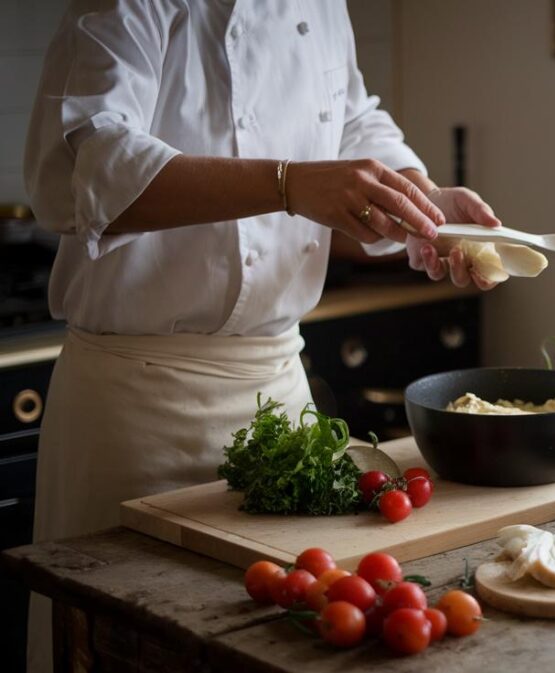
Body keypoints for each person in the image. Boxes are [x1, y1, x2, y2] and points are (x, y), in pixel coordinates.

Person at [22, 2, 501, 670]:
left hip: (280, 396)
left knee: (284, 644)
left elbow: (351, 113)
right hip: (136, 408)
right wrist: (288, 184)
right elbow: (93, 163)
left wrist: (419, 193)